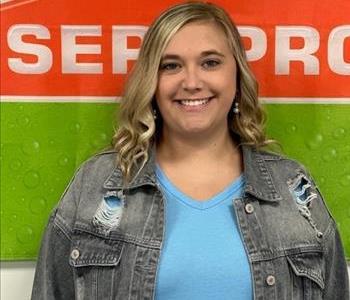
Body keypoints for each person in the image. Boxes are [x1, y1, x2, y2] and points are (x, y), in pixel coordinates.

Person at [31, 2, 349, 299]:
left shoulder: (293, 188)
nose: (192, 81)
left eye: (210, 62)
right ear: (151, 82)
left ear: (236, 76)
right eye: (171, 66)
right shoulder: (96, 185)